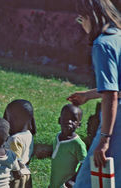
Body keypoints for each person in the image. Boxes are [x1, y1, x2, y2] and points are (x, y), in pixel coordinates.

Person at [66, 0, 121, 186]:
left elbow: (111, 95)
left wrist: (105, 139)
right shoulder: (119, 37)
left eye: (81, 19)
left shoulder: (102, 44)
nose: (81, 24)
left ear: (91, 17)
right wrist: (88, 95)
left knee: (87, 181)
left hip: (116, 123)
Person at [49, 104, 87, 188]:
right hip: (54, 183)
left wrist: (72, 180)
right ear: (59, 120)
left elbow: (84, 164)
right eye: (66, 118)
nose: (69, 122)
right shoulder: (57, 136)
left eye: (74, 120)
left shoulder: (77, 144)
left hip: (66, 185)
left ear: (79, 124)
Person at [3, 99, 37, 188]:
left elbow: (15, 161)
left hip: (15, 177)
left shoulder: (15, 139)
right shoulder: (29, 134)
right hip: (26, 173)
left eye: (10, 118)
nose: (8, 121)